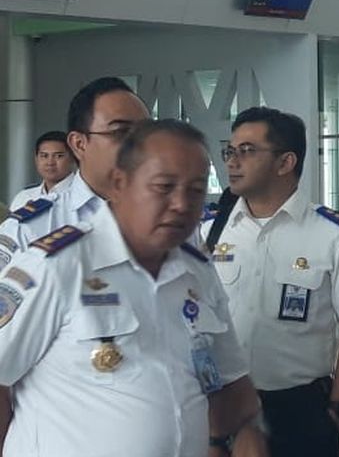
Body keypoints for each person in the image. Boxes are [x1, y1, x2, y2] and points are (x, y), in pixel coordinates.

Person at [0, 119, 268, 457]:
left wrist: (246, 429)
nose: (182, 204)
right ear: (119, 183)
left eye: (196, 189)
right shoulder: (54, 267)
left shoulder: (197, 271)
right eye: (163, 186)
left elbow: (232, 381)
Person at [208, 107, 339, 457]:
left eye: (247, 151)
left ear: (286, 163)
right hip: (222, 404)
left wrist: (337, 410)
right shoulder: (209, 231)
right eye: (230, 151)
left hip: (300, 409)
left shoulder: (332, 234)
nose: (232, 162)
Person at [0, 77, 150, 260]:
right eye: (120, 132)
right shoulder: (28, 228)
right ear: (79, 144)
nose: (139, 144)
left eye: (146, 133)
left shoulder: (173, 219)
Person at [10, 131, 75, 208]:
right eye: (44, 156)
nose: (50, 163)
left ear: (73, 158)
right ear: (36, 159)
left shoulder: (82, 195)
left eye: (58, 156)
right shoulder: (23, 197)